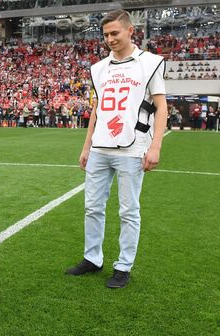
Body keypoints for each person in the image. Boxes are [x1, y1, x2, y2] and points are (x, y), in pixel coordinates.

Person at [66, 9, 167, 288]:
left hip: (132, 148)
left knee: (128, 210)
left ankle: (123, 266)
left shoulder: (150, 63)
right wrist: (86, 147)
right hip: (100, 147)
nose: (110, 39)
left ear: (130, 31)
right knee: (92, 207)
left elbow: (161, 107)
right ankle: (92, 258)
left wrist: (155, 146)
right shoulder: (99, 68)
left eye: (115, 33)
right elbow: (96, 111)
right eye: (106, 34)